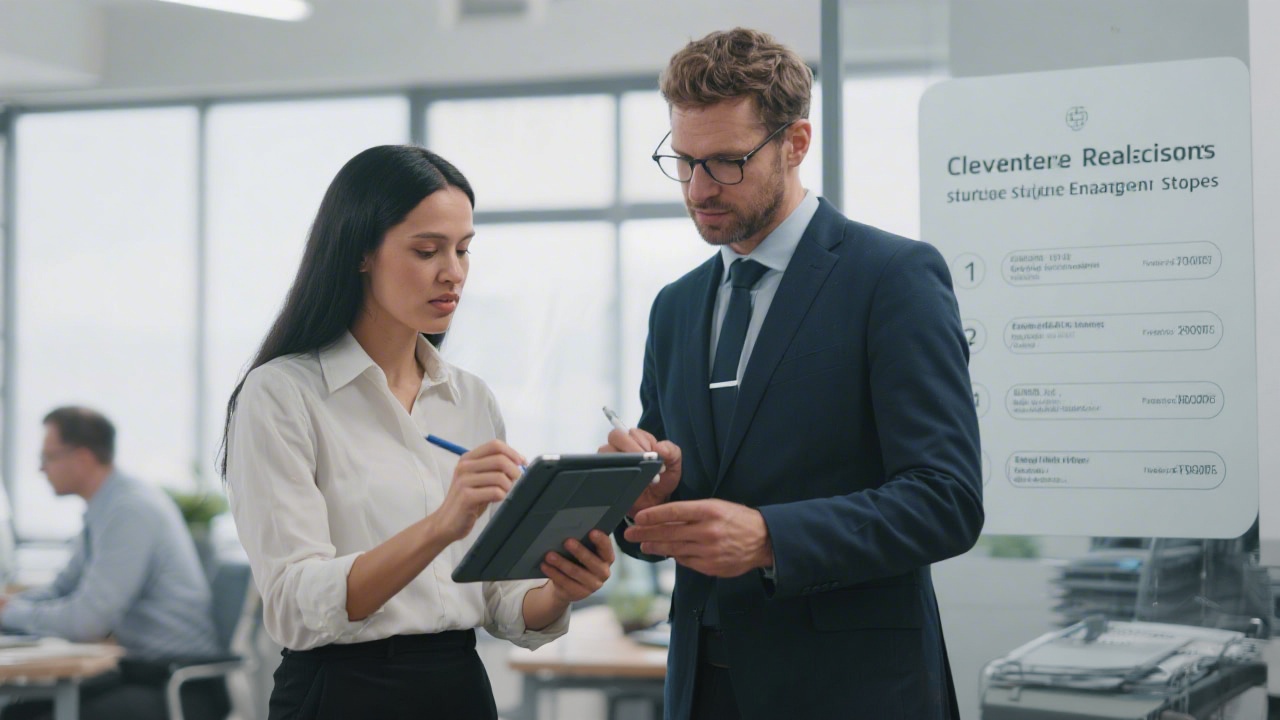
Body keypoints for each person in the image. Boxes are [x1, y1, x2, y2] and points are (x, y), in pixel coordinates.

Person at [601, 28, 984, 720]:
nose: (698, 189)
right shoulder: (675, 307)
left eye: (726, 162)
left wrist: (770, 538)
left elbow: (946, 501)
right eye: (683, 162)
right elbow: (669, 506)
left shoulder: (892, 278)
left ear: (796, 143)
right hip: (701, 690)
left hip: (852, 693)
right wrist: (646, 496)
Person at [220, 144, 615, 719]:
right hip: (342, 693)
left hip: (459, 687)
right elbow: (295, 604)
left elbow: (501, 601)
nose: (452, 272)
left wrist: (561, 588)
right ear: (360, 253)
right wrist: (440, 526)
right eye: (427, 250)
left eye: (463, 249)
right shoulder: (282, 394)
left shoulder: (470, 399)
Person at [0, 406, 227, 720]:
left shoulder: (129, 510)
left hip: (180, 685)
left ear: (82, 458)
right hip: (142, 674)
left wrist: (9, 613)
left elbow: (87, 621)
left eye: (48, 457)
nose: (41, 468)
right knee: (18, 712)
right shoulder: (105, 508)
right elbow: (63, 588)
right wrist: (11, 605)